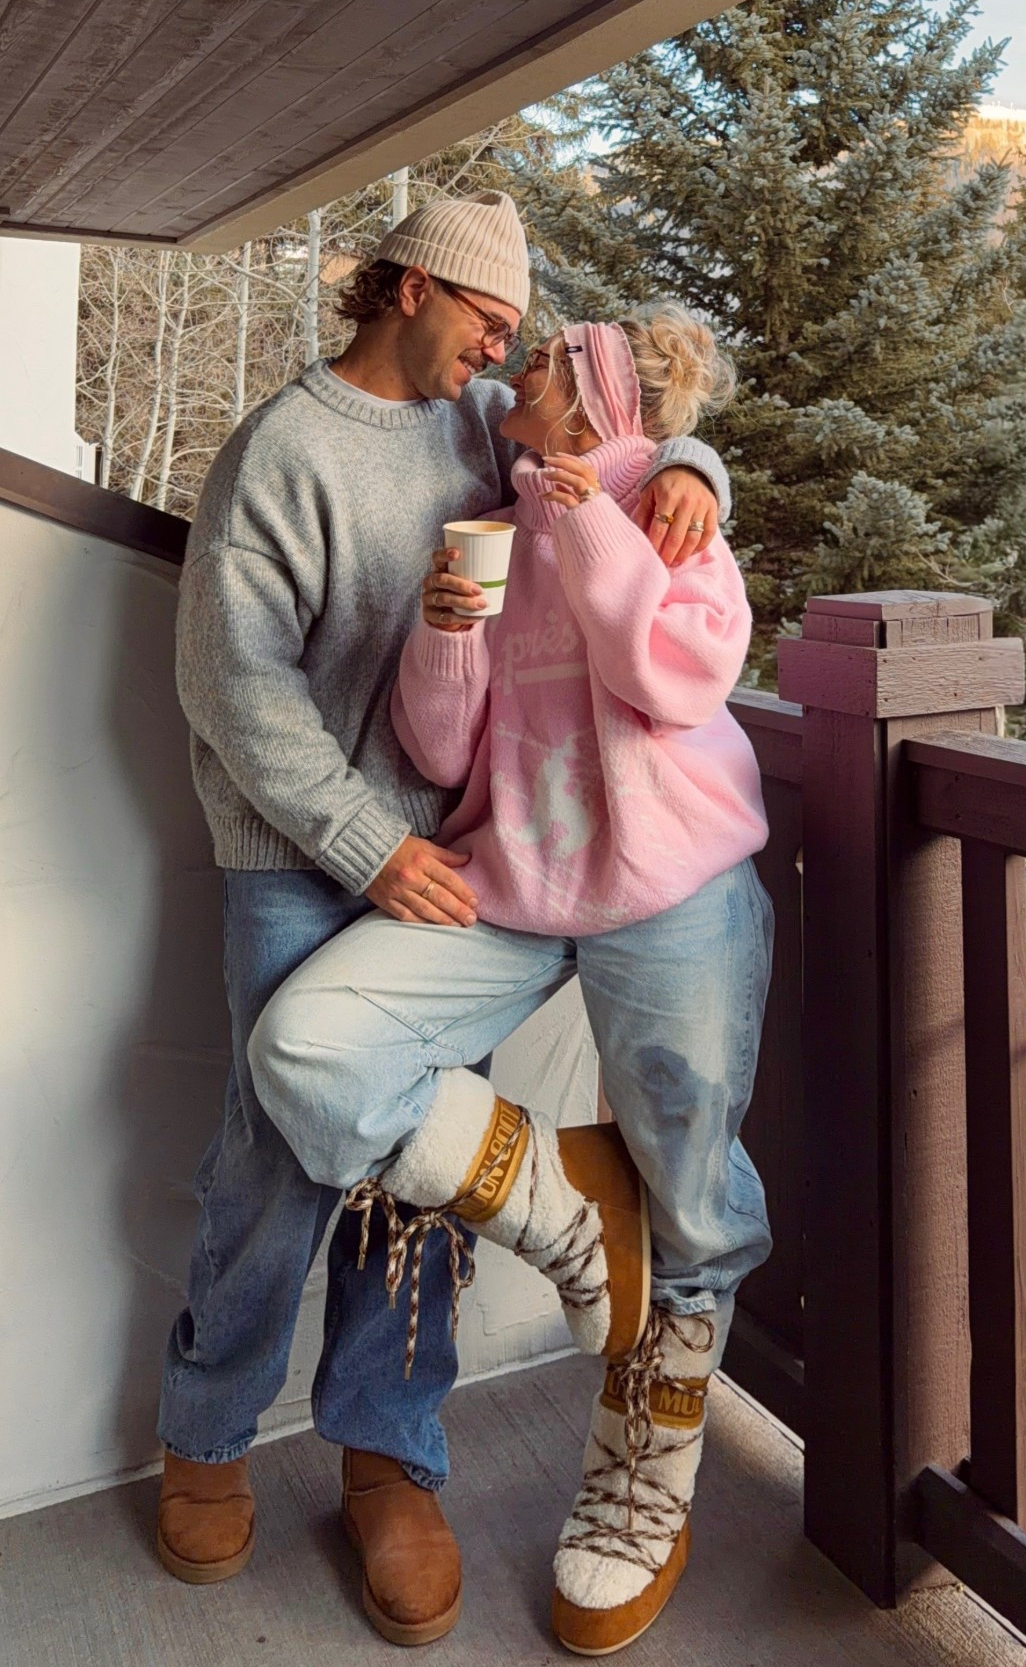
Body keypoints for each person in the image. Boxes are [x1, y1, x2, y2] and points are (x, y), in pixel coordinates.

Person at [158, 192, 731, 1647]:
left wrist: (699, 471)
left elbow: (616, 444)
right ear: (409, 289)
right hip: (302, 852)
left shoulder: (487, 422)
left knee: (415, 1167)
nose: (506, 339)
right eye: (487, 314)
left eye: (515, 329)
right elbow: (234, 687)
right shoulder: (280, 453)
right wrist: (361, 842)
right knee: (279, 1144)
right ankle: (209, 1432)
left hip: (456, 852)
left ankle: (387, 1455)